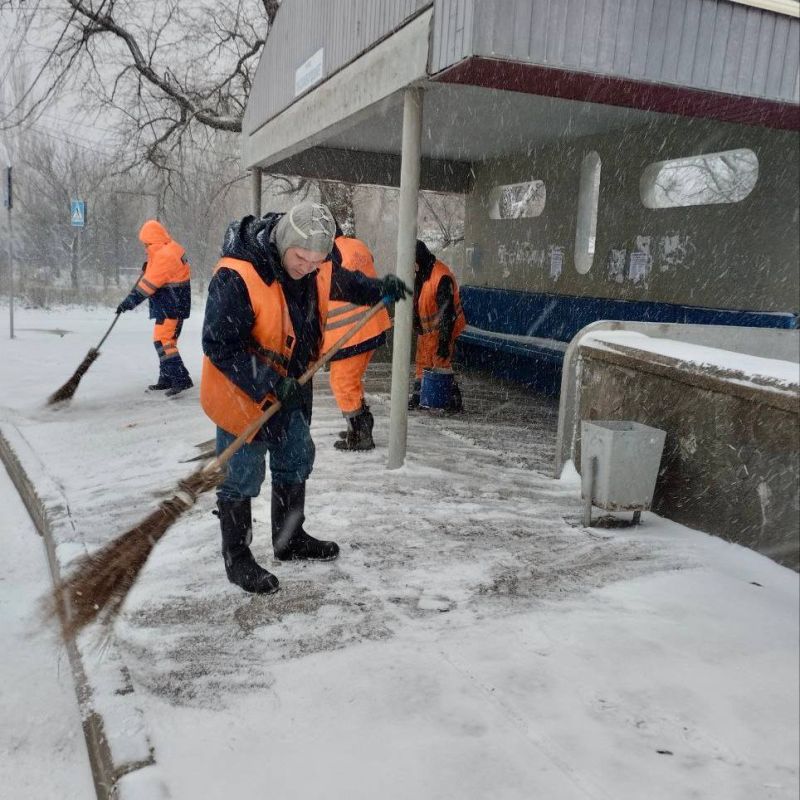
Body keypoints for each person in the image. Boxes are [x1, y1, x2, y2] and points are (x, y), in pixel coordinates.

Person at [200, 203, 410, 594]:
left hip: (293, 384)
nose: (308, 267)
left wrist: (379, 289)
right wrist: (266, 381)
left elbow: (341, 282)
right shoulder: (238, 273)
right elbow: (218, 344)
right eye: (300, 257)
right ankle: (238, 557)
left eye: (316, 260)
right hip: (243, 390)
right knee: (241, 472)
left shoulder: (319, 265)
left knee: (296, 457)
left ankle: (289, 539)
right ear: (282, 243)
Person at [322, 224, 391, 451]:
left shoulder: (329, 253)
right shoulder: (357, 245)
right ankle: (359, 425)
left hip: (350, 332)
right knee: (352, 380)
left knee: (341, 382)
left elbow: (329, 287)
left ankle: (361, 433)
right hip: (372, 324)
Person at [116, 220, 193, 396]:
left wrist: (127, 303)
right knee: (165, 341)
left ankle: (181, 378)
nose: (144, 247)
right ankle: (166, 378)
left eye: (146, 244)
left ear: (152, 241)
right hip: (172, 304)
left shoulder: (164, 255)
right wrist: (149, 265)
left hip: (170, 306)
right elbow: (165, 272)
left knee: (163, 341)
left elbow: (147, 286)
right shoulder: (171, 247)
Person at [408, 240, 467, 412]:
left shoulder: (441, 277)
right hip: (427, 331)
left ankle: (453, 400)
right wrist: (416, 321)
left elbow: (447, 313)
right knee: (422, 362)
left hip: (442, 330)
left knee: (440, 363)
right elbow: (419, 300)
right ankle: (420, 396)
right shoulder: (423, 273)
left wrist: (443, 341)